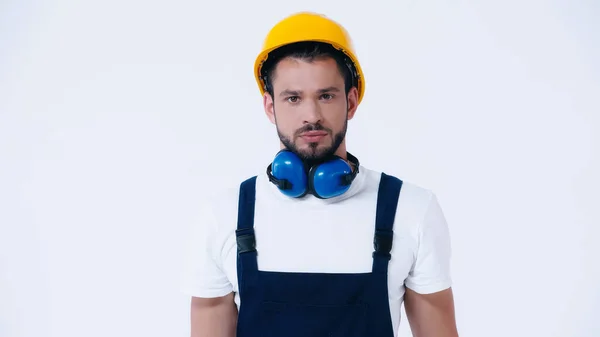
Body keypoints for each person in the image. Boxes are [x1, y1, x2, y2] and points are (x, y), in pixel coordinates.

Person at [181, 11, 459, 337]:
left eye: (326, 96)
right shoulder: (225, 215)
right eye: (293, 98)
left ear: (351, 101)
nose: (311, 116)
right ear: (270, 106)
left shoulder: (410, 210)